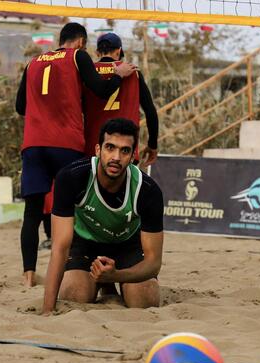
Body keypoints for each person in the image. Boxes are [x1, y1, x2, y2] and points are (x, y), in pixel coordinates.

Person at [16, 22, 138, 287]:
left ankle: (28, 276)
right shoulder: (77, 56)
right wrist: (119, 74)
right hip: (65, 143)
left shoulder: (34, 62)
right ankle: (75, 270)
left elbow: (20, 106)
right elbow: (102, 90)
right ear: (82, 43)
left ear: (61, 39)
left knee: (32, 213)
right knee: (81, 209)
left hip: (34, 143)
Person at [42, 118, 164, 314]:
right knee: (75, 295)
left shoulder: (147, 190)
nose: (116, 156)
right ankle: (99, 284)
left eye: (124, 151)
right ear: (98, 150)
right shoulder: (71, 177)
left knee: (146, 300)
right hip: (86, 244)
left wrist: (117, 275)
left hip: (127, 244)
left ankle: (110, 282)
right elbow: (60, 248)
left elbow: (153, 263)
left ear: (133, 156)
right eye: (110, 147)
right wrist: (47, 310)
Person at [83, 32, 159, 166]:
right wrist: (152, 145)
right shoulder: (133, 72)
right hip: (125, 150)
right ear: (118, 51)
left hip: (93, 149)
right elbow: (150, 111)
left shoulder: (88, 72)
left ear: (96, 52)